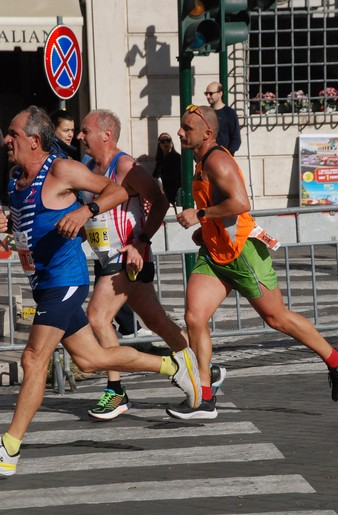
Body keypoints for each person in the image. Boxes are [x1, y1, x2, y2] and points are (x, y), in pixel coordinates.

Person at [0, 105, 201, 477]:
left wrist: (85, 211)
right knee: (91, 358)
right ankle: (170, 364)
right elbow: (25, 227)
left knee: (32, 359)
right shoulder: (15, 179)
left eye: (12, 133)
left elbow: (115, 191)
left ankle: (8, 447)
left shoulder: (60, 170)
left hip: (66, 280)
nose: (5, 139)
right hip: (42, 282)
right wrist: (7, 225)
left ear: (33, 140)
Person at [166, 104, 338, 420]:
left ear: (207, 133)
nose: (180, 132)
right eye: (181, 126)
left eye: (186, 128)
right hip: (214, 255)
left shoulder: (218, 160)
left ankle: (336, 359)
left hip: (243, 252)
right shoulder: (200, 162)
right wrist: (205, 230)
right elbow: (218, 203)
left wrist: (198, 215)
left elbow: (241, 203)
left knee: (276, 318)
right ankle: (205, 397)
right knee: (194, 317)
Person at [76, 109, 224, 420]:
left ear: (106, 134)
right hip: (106, 257)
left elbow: (158, 201)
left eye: (85, 131)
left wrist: (141, 240)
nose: (79, 136)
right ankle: (203, 372)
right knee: (157, 322)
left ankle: (116, 392)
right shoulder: (89, 166)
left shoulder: (126, 166)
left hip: (127, 256)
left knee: (97, 317)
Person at [204, 81, 241, 156]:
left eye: (211, 93)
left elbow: (236, 139)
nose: (208, 96)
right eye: (206, 93)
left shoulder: (229, 113)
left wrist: (228, 155)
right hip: (207, 157)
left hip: (224, 157)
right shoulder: (205, 113)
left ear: (220, 94)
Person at [152, 132, 182, 207]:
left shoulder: (177, 158)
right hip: (164, 196)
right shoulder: (160, 160)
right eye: (162, 141)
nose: (166, 143)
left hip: (174, 196)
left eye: (168, 140)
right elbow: (155, 176)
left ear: (171, 143)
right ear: (159, 145)